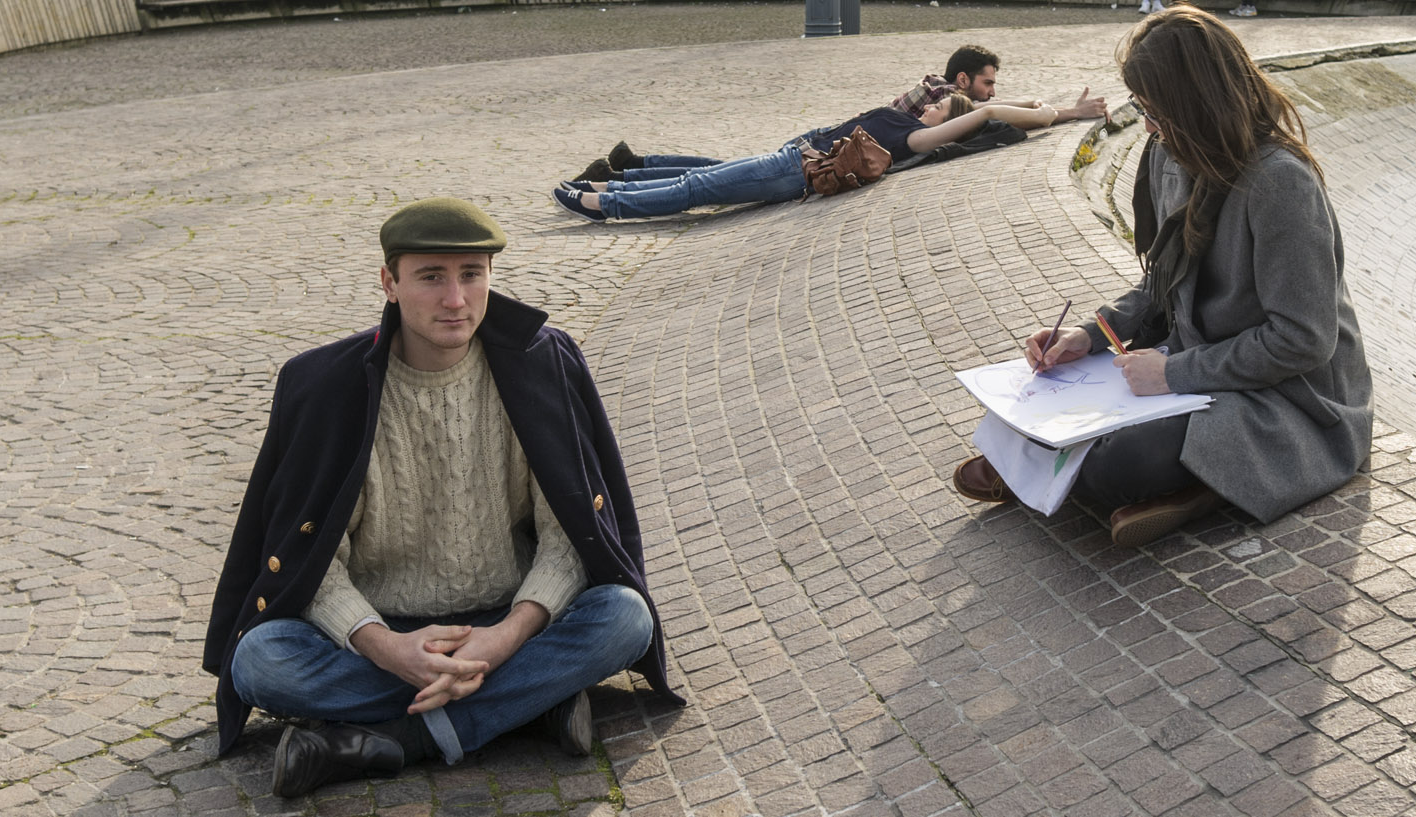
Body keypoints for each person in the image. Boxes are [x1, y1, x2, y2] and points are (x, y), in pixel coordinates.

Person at [202, 198, 680, 798]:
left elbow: (567, 539)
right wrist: (389, 648)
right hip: (375, 635)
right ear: (389, 282)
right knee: (262, 660)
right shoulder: (326, 387)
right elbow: (312, 564)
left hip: (508, 621)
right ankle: (532, 704)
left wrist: (504, 639)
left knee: (624, 617)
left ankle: (397, 742)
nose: (456, 300)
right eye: (431, 277)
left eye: (471, 275)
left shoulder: (540, 364)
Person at [950, 6, 1373, 548]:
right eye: (1141, 108)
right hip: (1201, 356)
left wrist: (1173, 373)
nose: (1146, 125)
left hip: (1292, 395)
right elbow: (1165, 285)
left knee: (1121, 463)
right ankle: (1164, 474)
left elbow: (1304, 340)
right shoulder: (1169, 155)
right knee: (1043, 392)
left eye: (1155, 109)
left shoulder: (1281, 185)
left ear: (1198, 102)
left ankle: (1199, 485)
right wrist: (1091, 333)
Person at [576, 45, 1100, 182]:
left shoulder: (939, 93)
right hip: (828, 143)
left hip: (831, 136)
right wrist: (1068, 112)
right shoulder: (940, 96)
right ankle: (631, 167)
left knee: (724, 167)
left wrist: (1041, 104)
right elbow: (990, 114)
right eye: (986, 84)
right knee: (719, 172)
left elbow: (999, 108)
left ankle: (634, 163)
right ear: (961, 82)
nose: (990, 94)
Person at [551, 91, 1101, 221]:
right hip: (797, 153)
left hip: (799, 172)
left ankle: (608, 203)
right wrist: (1053, 105)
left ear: (947, 118)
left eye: (940, 103)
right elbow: (1009, 102)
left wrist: (1068, 118)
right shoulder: (909, 120)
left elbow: (985, 114)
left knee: (702, 189)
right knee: (707, 177)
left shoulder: (915, 139)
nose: (929, 98)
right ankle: (619, 185)